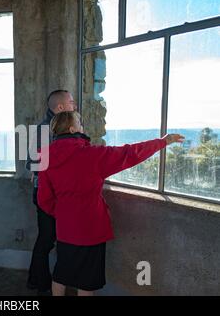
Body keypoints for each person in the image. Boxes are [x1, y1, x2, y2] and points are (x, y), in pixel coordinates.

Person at [37, 111, 184, 296]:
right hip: (90, 227)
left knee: (62, 272)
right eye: (80, 123)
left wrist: (63, 213)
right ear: (73, 129)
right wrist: (163, 141)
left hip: (65, 227)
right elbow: (130, 153)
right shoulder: (93, 154)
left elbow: (44, 198)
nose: (82, 126)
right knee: (86, 281)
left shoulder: (45, 157)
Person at [25, 90, 77, 295]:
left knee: (46, 239)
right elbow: (34, 164)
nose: (75, 106)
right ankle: (42, 284)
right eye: (71, 102)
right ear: (61, 107)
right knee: (47, 239)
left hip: (52, 192)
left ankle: (35, 279)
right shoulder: (44, 131)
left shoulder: (49, 128)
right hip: (47, 193)